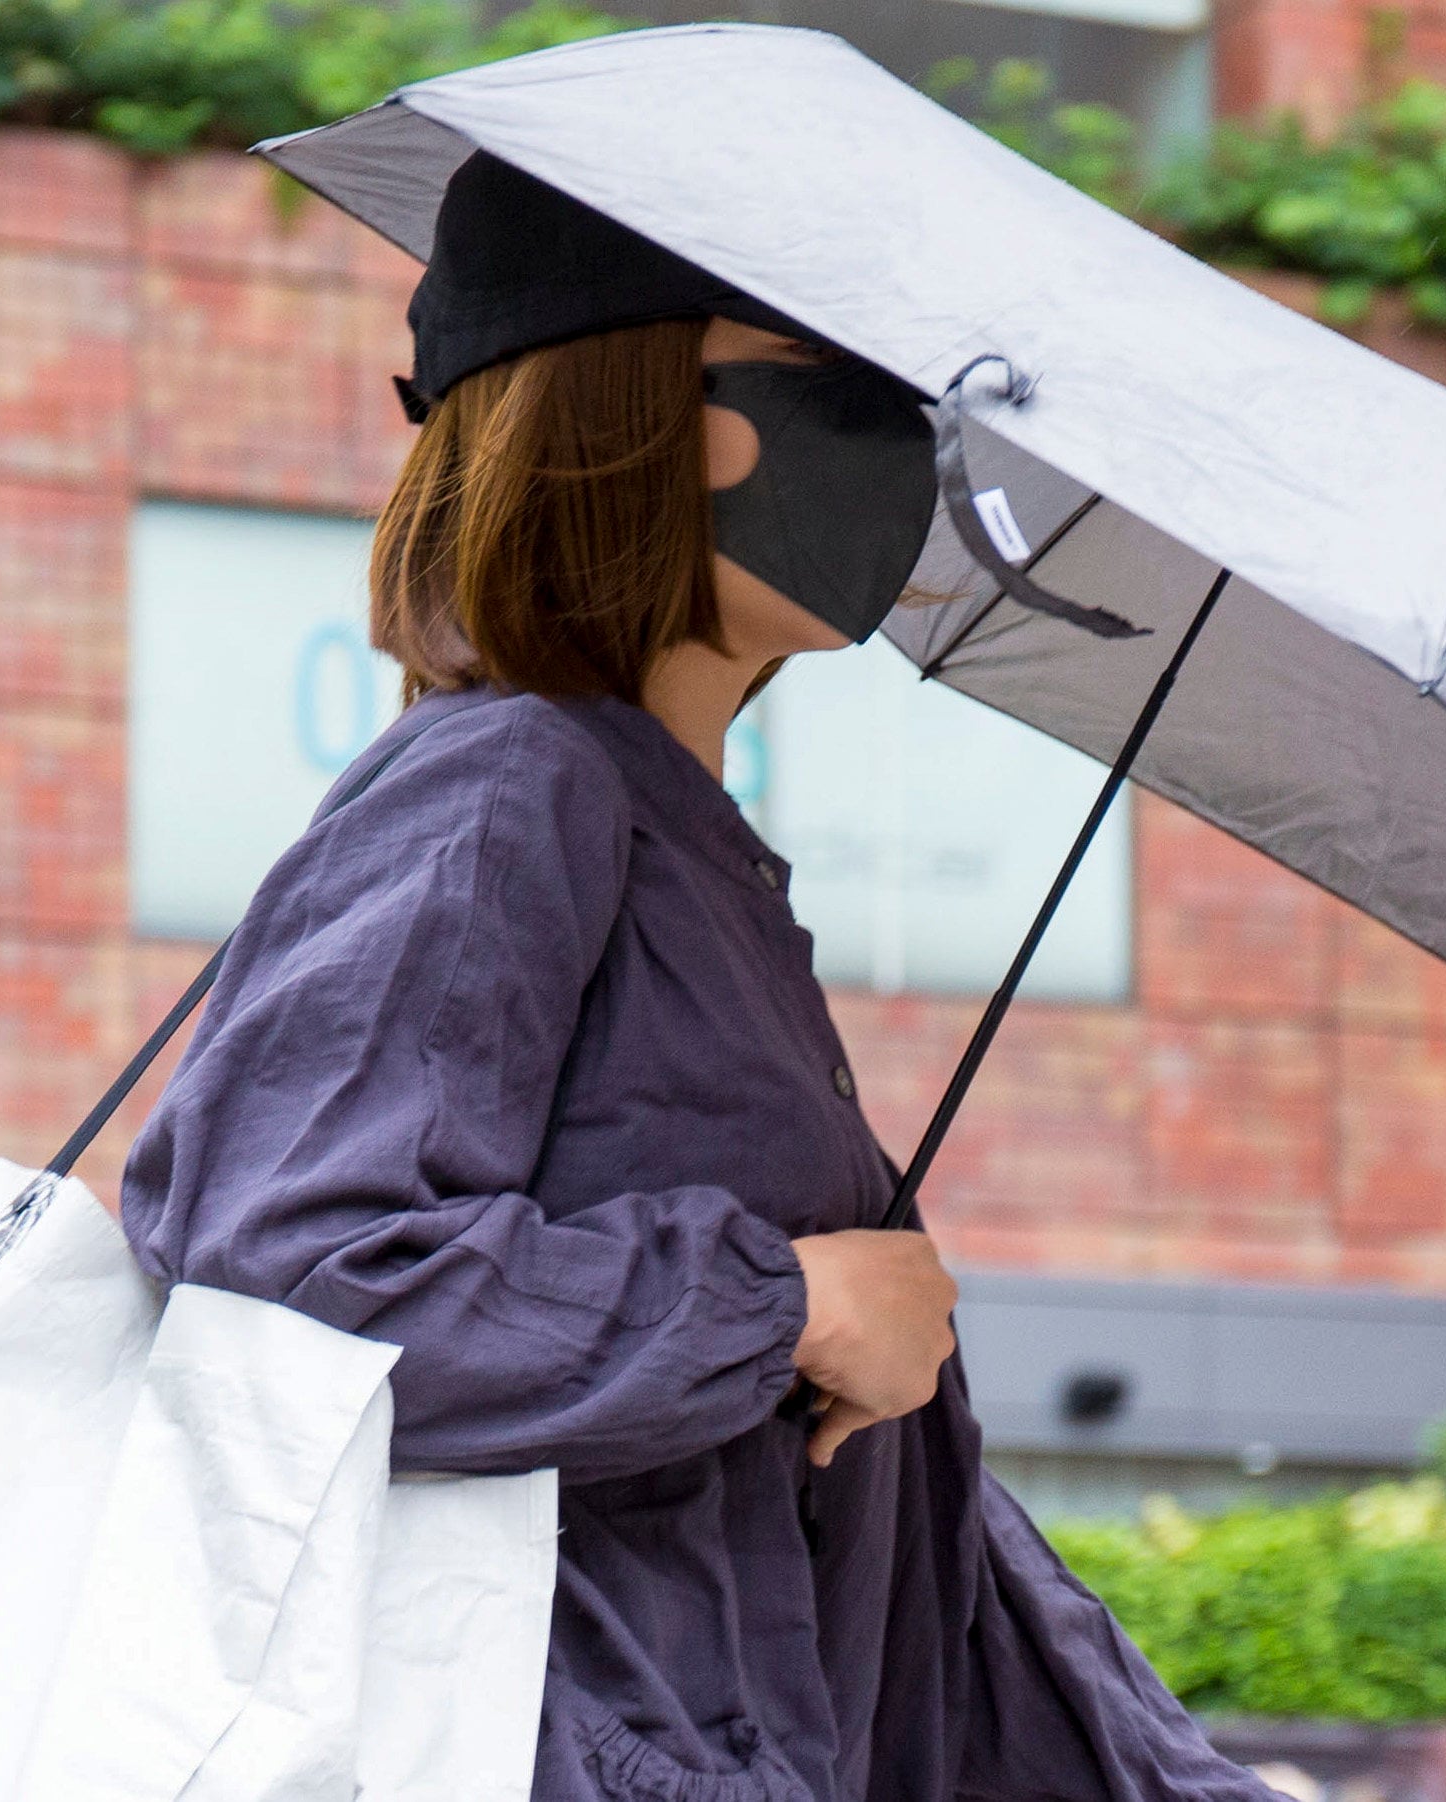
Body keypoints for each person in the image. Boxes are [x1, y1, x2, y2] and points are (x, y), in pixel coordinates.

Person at [119, 150, 1275, 1802]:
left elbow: (897, 1572)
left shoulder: (674, 842)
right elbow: (292, 1275)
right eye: (843, 390)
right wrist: (788, 1301)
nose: (906, 448)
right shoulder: (508, 783)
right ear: (640, 408)